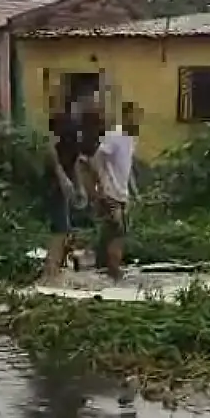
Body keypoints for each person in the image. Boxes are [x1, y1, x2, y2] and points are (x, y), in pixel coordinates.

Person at [43, 92, 92, 282]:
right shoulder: (60, 122)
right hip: (54, 180)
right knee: (60, 227)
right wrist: (62, 177)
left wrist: (79, 186)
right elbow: (50, 149)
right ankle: (51, 272)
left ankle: (57, 268)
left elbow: (75, 160)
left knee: (66, 227)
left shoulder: (79, 129)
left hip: (67, 179)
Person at [88, 103, 140, 280]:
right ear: (125, 116)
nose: (137, 120)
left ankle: (99, 264)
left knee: (111, 231)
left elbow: (128, 166)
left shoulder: (131, 138)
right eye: (133, 116)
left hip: (122, 192)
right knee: (118, 230)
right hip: (110, 192)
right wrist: (104, 183)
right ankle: (114, 270)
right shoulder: (114, 136)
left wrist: (134, 190)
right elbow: (97, 159)